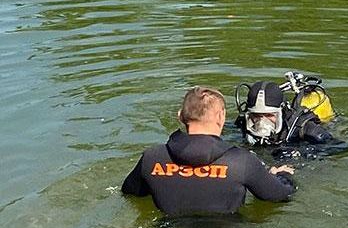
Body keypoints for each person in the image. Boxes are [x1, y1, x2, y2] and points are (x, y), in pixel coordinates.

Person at [122, 86, 296, 215]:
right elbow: (278, 196)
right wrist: (280, 176)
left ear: (180, 116)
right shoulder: (241, 162)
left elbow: (130, 193)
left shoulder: (152, 158)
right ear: (221, 117)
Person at [235, 80, 335, 148]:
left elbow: (338, 148)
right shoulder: (244, 124)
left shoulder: (306, 129)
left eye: (269, 115)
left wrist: (302, 153)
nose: (262, 122)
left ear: (281, 112)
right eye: (256, 115)